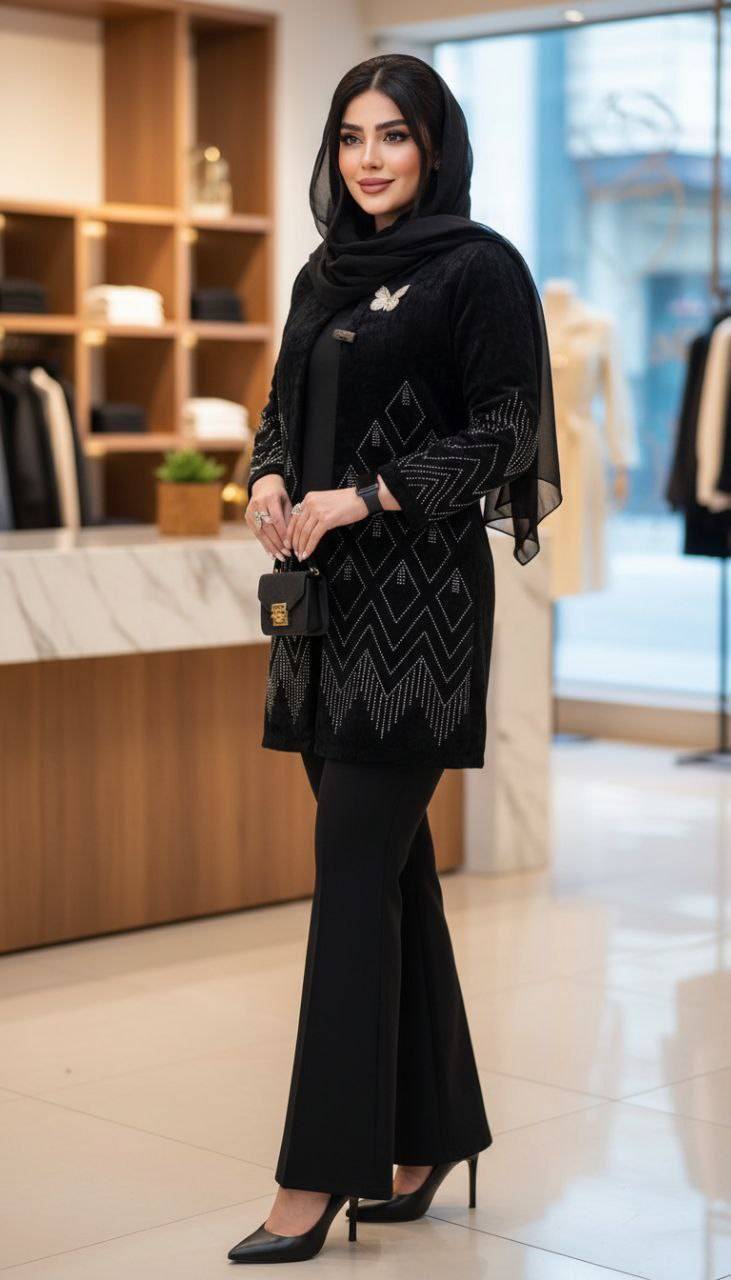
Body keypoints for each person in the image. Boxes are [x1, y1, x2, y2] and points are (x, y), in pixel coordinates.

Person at [228, 52, 562, 1265]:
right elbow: (281, 403)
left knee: (349, 877)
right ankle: (434, 1132)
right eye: (351, 136)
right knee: (393, 871)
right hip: (317, 616)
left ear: (434, 147)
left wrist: (365, 495)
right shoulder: (321, 272)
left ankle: (314, 1173)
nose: (369, 159)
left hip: (417, 612)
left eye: (393, 135)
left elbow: (505, 430)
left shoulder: (476, 269)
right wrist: (269, 474)